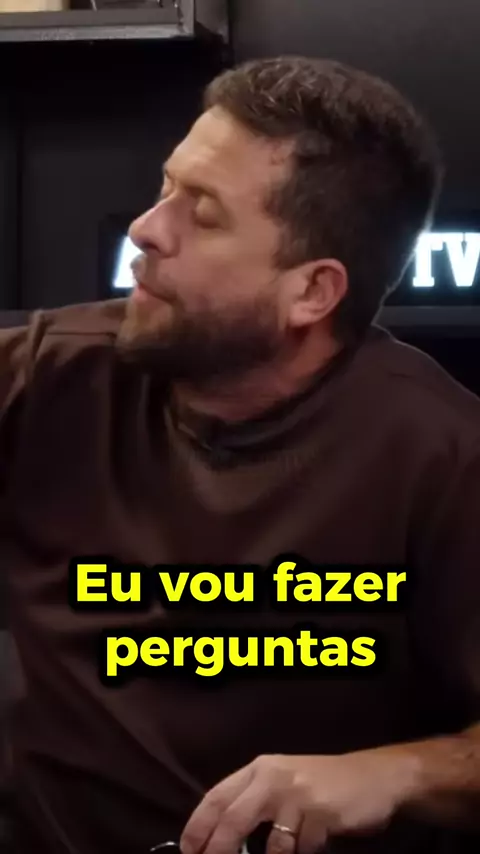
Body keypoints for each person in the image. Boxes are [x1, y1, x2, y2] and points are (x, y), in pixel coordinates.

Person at [2, 55, 480, 854]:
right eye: (165, 187)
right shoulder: (55, 370)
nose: (147, 228)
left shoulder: (443, 455)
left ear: (312, 292)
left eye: (203, 214)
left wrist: (396, 773)